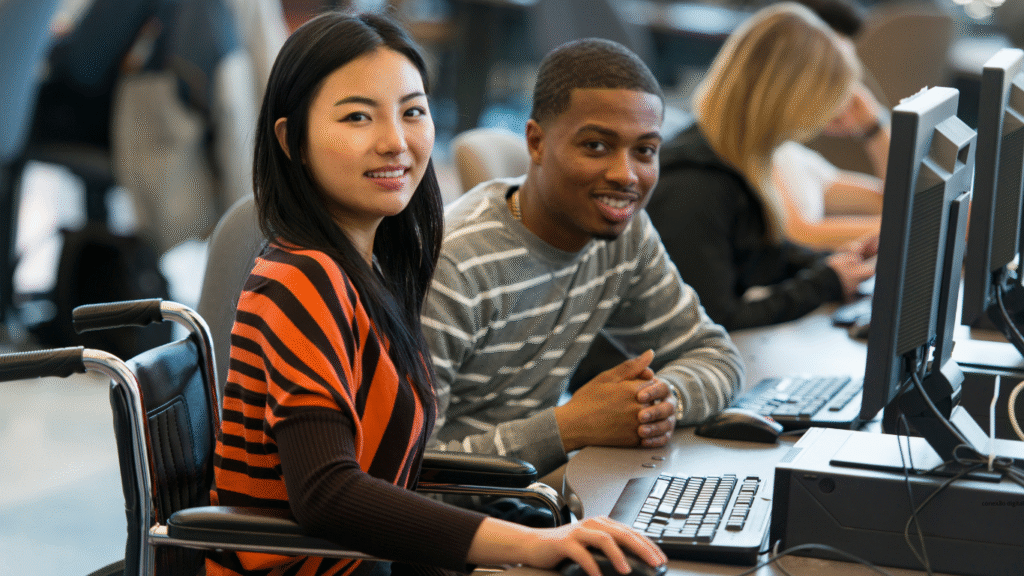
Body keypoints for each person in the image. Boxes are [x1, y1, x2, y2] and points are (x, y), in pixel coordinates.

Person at [208, 11, 668, 576]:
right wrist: (530, 545)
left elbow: (394, 469)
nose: (395, 142)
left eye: (413, 112)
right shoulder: (300, 280)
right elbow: (328, 493)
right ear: (292, 140)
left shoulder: (376, 269)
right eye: (357, 117)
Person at [421, 38, 743, 478]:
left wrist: (661, 402)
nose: (626, 175)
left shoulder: (625, 235)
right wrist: (568, 427)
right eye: (596, 146)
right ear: (536, 142)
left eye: (645, 151)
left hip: (541, 490)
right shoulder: (453, 266)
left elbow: (716, 355)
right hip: (468, 512)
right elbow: (408, 474)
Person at [646, 2, 878, 332]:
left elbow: (761, 257)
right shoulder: (697, 185)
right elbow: (714, 318)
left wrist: (832, 265)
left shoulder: (740, 158)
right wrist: (824, 284)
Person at [773, 0, 892, 250]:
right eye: (834, 73)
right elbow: (799, 233)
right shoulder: (753, 147)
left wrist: (873, 129)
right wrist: (914, 226)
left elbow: (893, 201)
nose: (845, 89)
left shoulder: (793, 156)